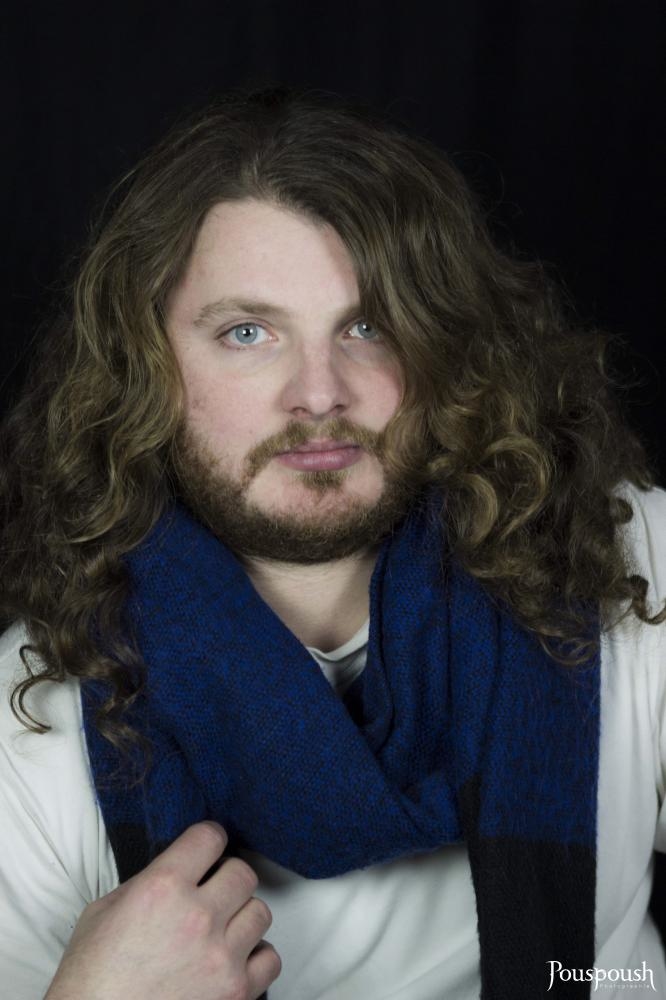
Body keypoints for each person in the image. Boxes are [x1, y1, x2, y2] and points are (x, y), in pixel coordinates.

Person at [0, 84, 664, 1000]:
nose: (318, 393)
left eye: (368, 326)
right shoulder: (30, 716)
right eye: (247, 333)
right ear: (142, 365)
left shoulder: (624, 560)